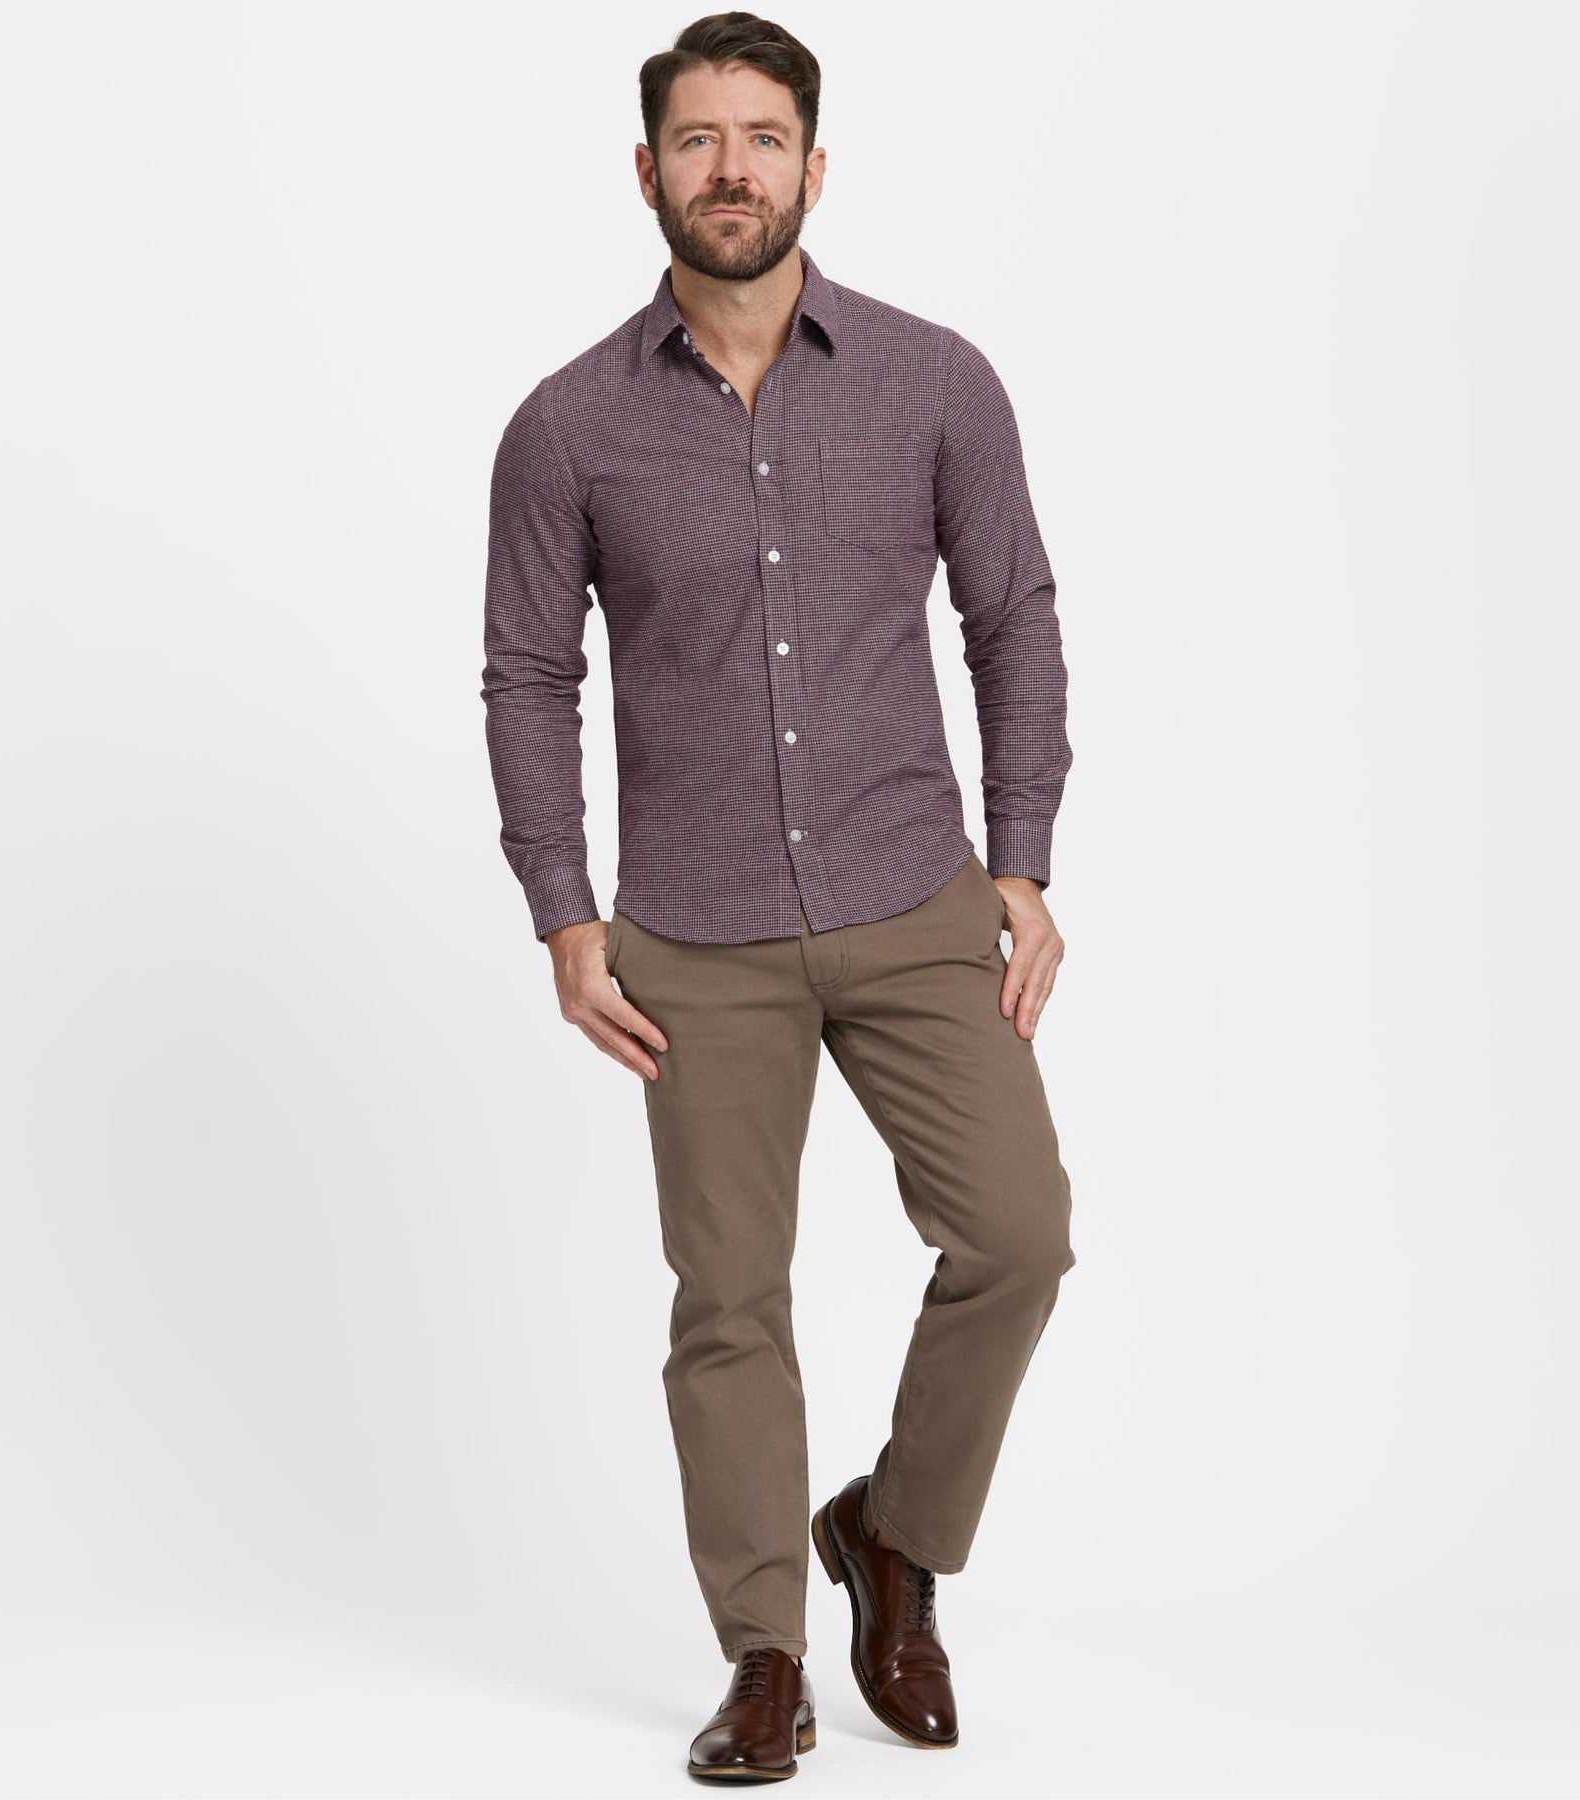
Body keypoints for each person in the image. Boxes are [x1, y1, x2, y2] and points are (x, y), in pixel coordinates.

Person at [481, 10, 1076, 1781]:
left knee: (1019, 1235)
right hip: (695, 928)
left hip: (912, 894)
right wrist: (565, 912)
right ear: (645, 170)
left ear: (816, 167)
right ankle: (765, 1655)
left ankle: (893, 1534)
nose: (728, 168)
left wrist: (1024, 860)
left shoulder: (934, 381)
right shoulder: (567, 427)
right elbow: (528, 676)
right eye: (696, 138)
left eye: (760, 137)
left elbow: (1013, 619)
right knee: (730, 1299)